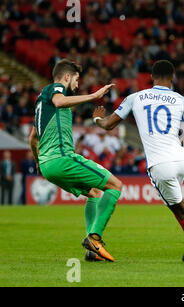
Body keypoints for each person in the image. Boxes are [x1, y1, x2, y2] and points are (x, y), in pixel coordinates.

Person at [91, 60, 184, 264]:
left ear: (151, 77)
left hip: (160, 164)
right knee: (175, 204)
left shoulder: (135, 97)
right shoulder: (181, 100)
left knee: (182, 211)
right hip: (180, 160)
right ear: (173, 77)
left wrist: (97, 118)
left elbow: (107, 125)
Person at [28, 59, 123, 262]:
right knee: (115, 185)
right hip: (61, 159)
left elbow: (32, 138)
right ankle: (95, 238)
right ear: (67, 76)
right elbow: (60, 101)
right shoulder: (54, 90)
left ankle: (92, 250)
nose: (77, 85)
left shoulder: (40, 105)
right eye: (77, 79)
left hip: (47, 166)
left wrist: (38, 162)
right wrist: (95, 95)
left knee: (94, 192)